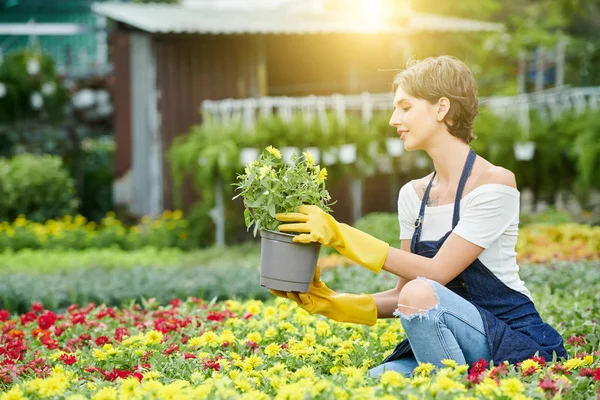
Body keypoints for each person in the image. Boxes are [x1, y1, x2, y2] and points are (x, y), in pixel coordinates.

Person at [270, 55, 567, 378]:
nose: (393, 119)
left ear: (441, 108)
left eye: (405, 107)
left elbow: (435, 274)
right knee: (377, 378)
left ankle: (453, 389)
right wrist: (331, 302)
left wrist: (341, 236)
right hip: (445, 338)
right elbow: (402, 296)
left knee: (420, 291)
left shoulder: (494, 183)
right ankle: (452, 383)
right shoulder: (413, 195)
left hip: (508, 339)